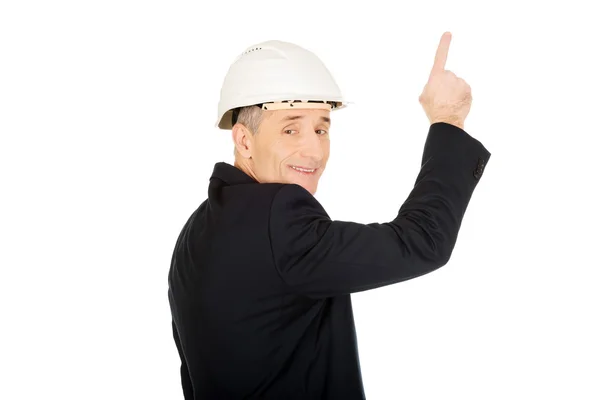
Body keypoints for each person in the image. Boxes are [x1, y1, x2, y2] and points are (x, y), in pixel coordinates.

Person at [168, 32, 491, 399]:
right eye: (290, 129)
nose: (314, 150)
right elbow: (422, 241)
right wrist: (447, 119)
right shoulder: (279, 216)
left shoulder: (193, 234)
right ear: (243, 140)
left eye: (321, 129)